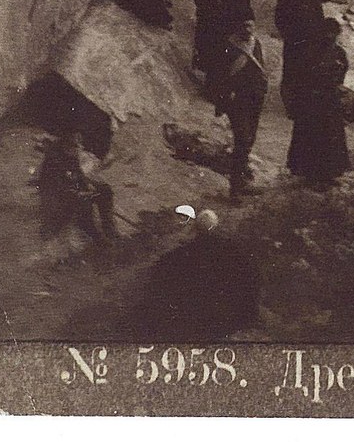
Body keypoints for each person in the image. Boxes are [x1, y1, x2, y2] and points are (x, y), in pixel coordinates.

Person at [143, 207, 261, 338]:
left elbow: (160, 271)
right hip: (224, 316)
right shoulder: (232, 252)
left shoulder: (183, 253)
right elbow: (249, 278)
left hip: (196, 317)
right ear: (215, 227)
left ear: (196, 229)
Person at [286, 19, 350, 187]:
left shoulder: (338, 53)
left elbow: (342, 73)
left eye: (333, 35)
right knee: (314, 137)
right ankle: (312, 175)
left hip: (328, 100)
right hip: (313, 100)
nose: (329, 38)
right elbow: (301, 76)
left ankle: (327, 174)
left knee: (328, 137)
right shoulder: (310, 51)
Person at [190, 0, 254, 102]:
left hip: (229, 19)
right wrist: (209, 5)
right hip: (212, 19)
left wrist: (248, 17)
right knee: (213, 53)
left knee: (226, 55)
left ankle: (221, 89)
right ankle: (212, 89)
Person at [212, 23, 268, 198]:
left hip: (255, 97)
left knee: (249, 139)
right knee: (242, 140)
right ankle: (235, 187)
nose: (248, 29)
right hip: (238, 99)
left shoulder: (255, 43)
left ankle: (241, 180)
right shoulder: (228, 47)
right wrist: (221, 103)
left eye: (251, 25)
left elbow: (261, 68)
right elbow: (220, 76)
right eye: (244, 25)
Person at [36, 131, 116, 245]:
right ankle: (90, 230)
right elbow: (56, 187)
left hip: (72, 191)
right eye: (74, 143)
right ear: (65, 142)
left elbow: (77, 175)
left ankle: (109, 228)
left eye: (77, 143)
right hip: (56, 198)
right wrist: (79, 193)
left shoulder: (71, 153)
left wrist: (90, 186)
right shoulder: (54, 160)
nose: (78, 147)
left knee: (105, 190)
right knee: (82, 202)